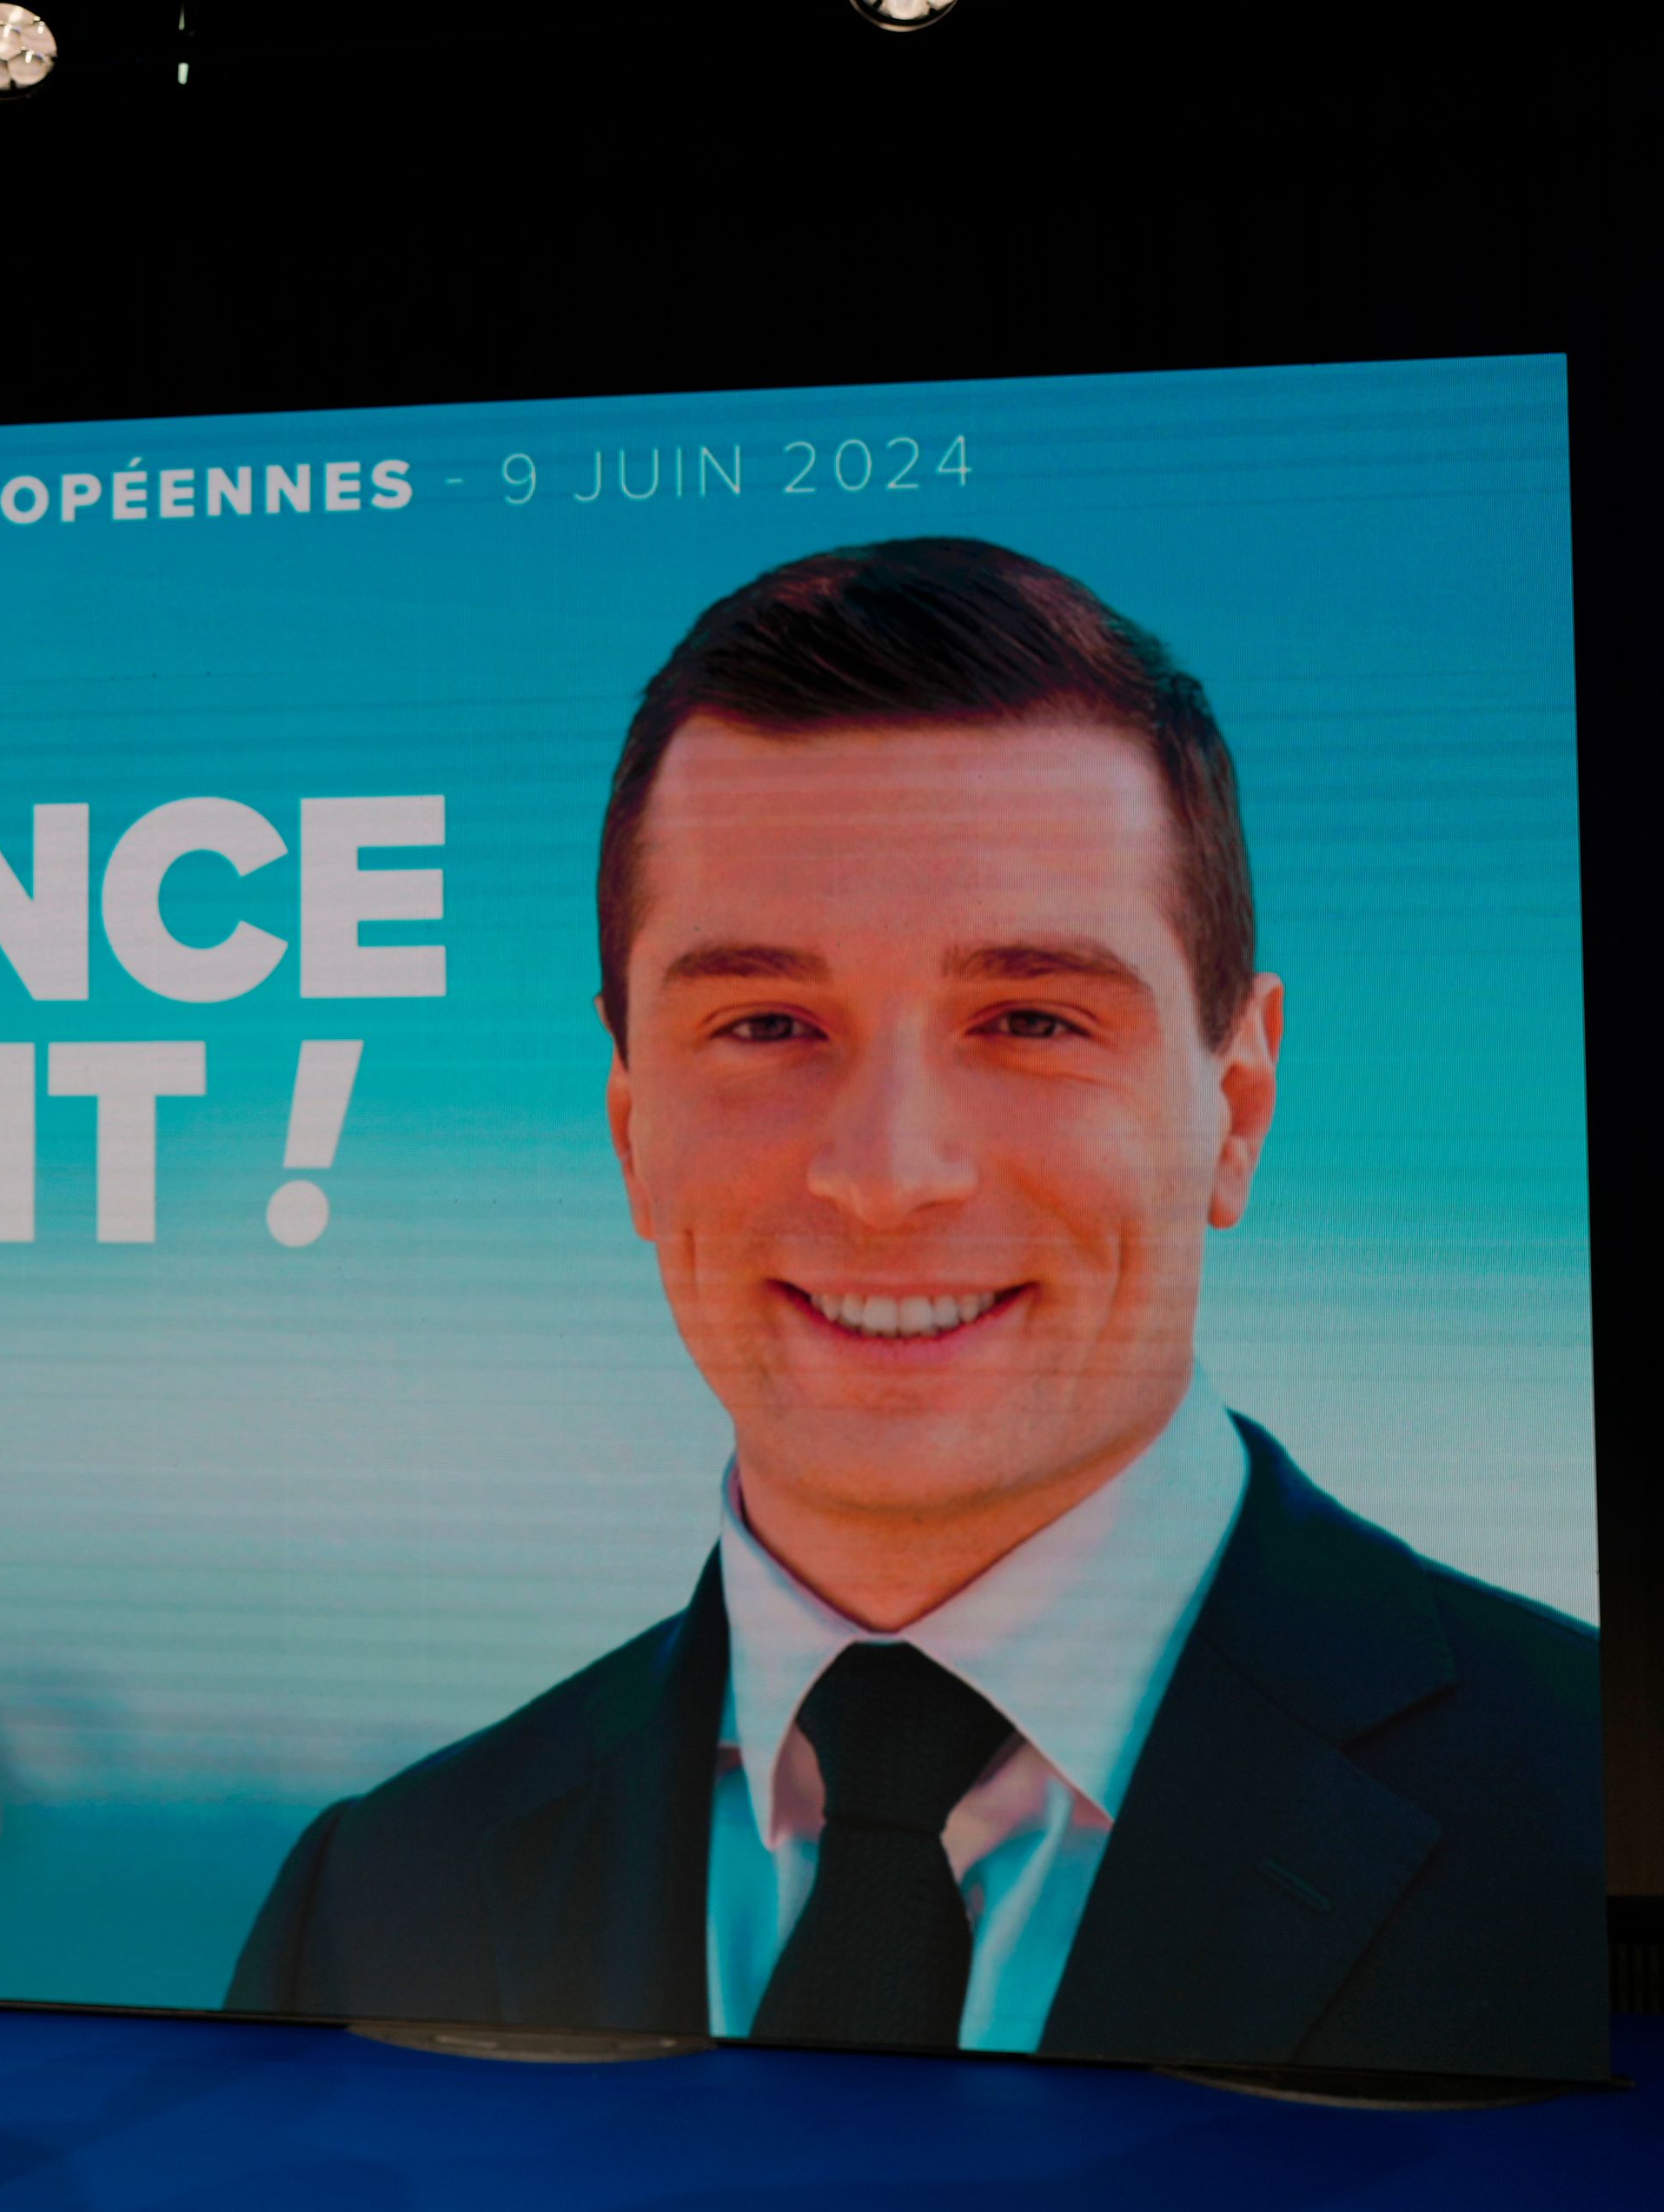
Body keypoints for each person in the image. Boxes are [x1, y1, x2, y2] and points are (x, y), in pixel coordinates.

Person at [227, 540, 1602, 2079]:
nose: (887, 1176)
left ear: (1239, 1102)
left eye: (1028, 1018)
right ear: (631, 1127)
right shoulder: (381, 1890)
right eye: (765, 1022)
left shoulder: (1582, 1804)